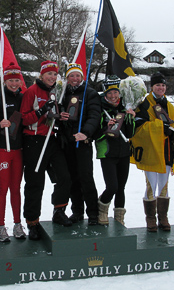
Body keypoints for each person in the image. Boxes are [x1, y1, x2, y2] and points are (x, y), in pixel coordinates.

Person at [20, 60, 72, 240]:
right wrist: (43, 110)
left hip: (51, 139)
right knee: (35, 182)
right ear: (41, 75)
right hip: (33, 141)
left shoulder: (55, 92)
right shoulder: (31, 92)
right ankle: (32, 222)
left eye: (54, 74)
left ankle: (59, 211)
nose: (52, 77)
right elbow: (24, 119)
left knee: (64, 176)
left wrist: (59, 116)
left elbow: (52, 117)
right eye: (49, 74)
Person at [131, 72, 174, 232]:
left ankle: (163, 217)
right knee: (151, 185)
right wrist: (160, 128)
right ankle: (150, 218)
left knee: (164, 186)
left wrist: (172, 133)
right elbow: (139, 127)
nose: (161, 88)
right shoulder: (144, 104)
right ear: (152, 87)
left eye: (163, 85)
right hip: (151, 151)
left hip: (166, 151)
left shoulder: (170, 106)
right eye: (158, 85)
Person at [0, 62, 26, 242]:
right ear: (5, 81)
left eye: (17, 80)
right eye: (11, 80)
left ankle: (17, 224)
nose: (14, 84)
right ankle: (1, 226)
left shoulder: (24, 97)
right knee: (3, 187)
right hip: (2, 149)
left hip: (19, 149)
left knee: (16, 188)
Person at [57, 63, 100, 225]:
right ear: (67, 78)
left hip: (82, 141)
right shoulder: (63, 93)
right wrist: (59, 116)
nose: (74, 79)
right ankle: (77, 211)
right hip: (67, 141)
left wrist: (86, 133)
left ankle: (93, 213)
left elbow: (94, 115)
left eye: (77, 76)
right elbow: (58, 111)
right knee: (72, 178)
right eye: (71, 76)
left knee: (86, 177)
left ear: (82, 77)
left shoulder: (90, 93)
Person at [94, 77, 135, 226]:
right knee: (112, 186)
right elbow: (95, 134)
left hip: (124, 153)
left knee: (121, 188)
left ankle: (119, 217)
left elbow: (130, 134)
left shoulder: (124, 108)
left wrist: (131, 118)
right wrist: (106, 127)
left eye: (115, 92)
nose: (113, 96)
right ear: (105, 94)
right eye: (110, 93)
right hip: (107, 153)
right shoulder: (100, 109)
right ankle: (102, 209)